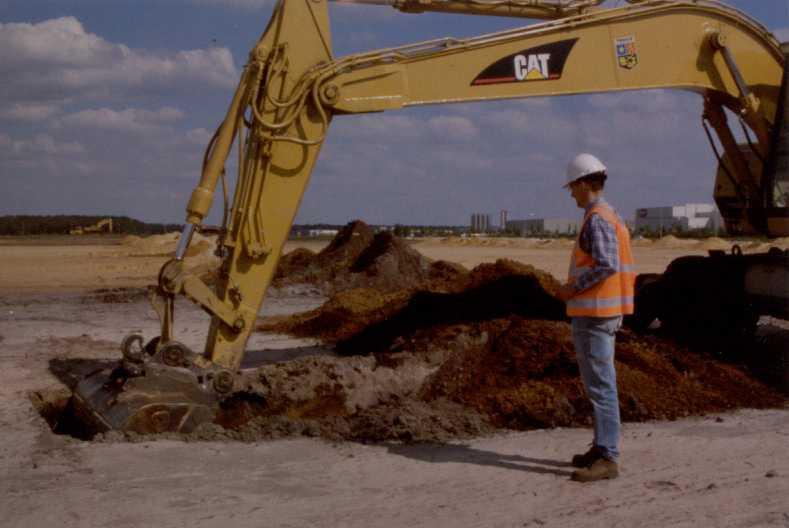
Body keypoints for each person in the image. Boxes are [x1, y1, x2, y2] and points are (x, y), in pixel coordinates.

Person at [556, 153, 635, 483]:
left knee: (602, 387)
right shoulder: (603, 214)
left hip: (596, 314)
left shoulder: (598, 218)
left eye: (573, 186)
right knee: (598, 386)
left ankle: (608, 458)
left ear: (586, 184)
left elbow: (605, 264)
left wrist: (573, 289)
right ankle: (602, 447)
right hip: (596, 313)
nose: (571, 193)